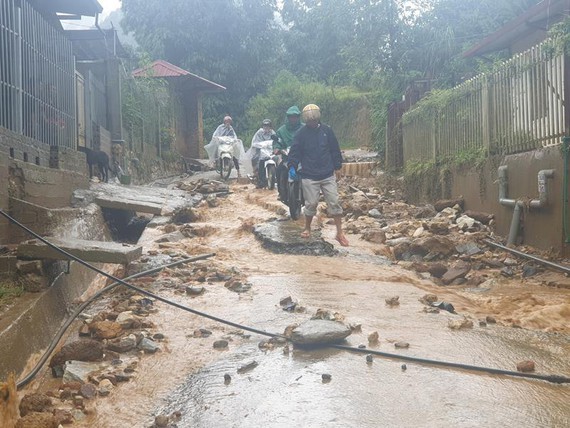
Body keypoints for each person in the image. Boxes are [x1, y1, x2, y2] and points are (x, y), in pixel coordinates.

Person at [287, 104, 349, 246]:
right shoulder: (301, 134)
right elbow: (295, 152)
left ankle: (340, 233)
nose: (312, 123)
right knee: (311, 203)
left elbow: (334, 149)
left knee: (334, 202)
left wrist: (337, 166)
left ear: (318, 119)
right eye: (309, 122)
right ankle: (307, 227)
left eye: (314, 121)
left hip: (327, 173)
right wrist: (292, 166)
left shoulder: (327, 131)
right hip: (309, 174)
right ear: (306, 121)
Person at [274, 106, 303, 200]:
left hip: (302, 158)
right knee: (278, 171)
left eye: (295, 116)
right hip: (287, 158)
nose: (293, 119)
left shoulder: (304, 128)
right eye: (291, 117)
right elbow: (277, 141)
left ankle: (316, 190)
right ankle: (281, 193)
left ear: (298, 117)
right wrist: (277, 148)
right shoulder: (281, 130)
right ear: (288, 117)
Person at [251, 119, 276, 187]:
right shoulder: (259, 132)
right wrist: (259, 145)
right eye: (265, 126)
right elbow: (254, 142)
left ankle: (276, 177)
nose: (266, 128)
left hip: (269, 151)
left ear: (270, 127)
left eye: (268, 126)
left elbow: (276, 140)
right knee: (258, 161)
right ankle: (259, 179)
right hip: (261, 151)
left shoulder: (273, 133)